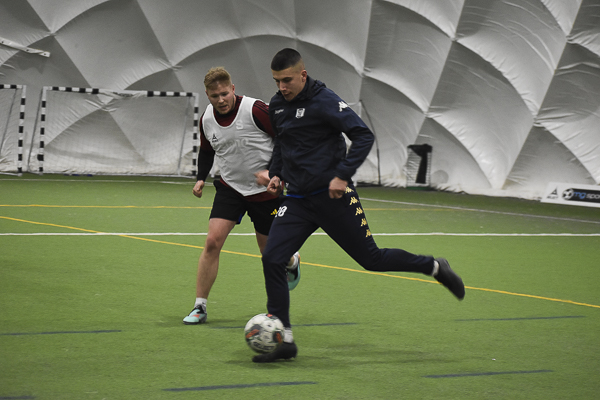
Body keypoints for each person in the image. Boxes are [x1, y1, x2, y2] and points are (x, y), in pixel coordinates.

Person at [252, 48, 465, 362]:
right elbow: (282, 143)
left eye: (287, 80)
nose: (281, 87)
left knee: (371, 259)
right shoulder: (278, 106)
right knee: (272, 257)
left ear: (303, 75)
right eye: (276, 81)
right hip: (297, 200)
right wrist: (276, 173)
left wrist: (341, 175)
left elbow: (363, 135)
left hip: (334, 198)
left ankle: (434, 267)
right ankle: (285, 340)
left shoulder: (324, 100)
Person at [183, 67, 300, 325]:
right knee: (212, 242)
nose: (221, 100)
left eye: (225, 94)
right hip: (231, 189)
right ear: (207, 95)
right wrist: (201, 178)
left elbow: (286, 139)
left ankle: (291, 261)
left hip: (266, 192)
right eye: (215, 96)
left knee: (270, 254)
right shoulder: (207, 119)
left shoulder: (256, 110)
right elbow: (206, 151)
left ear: (233, 89)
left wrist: (275, 173)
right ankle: (199, 306)